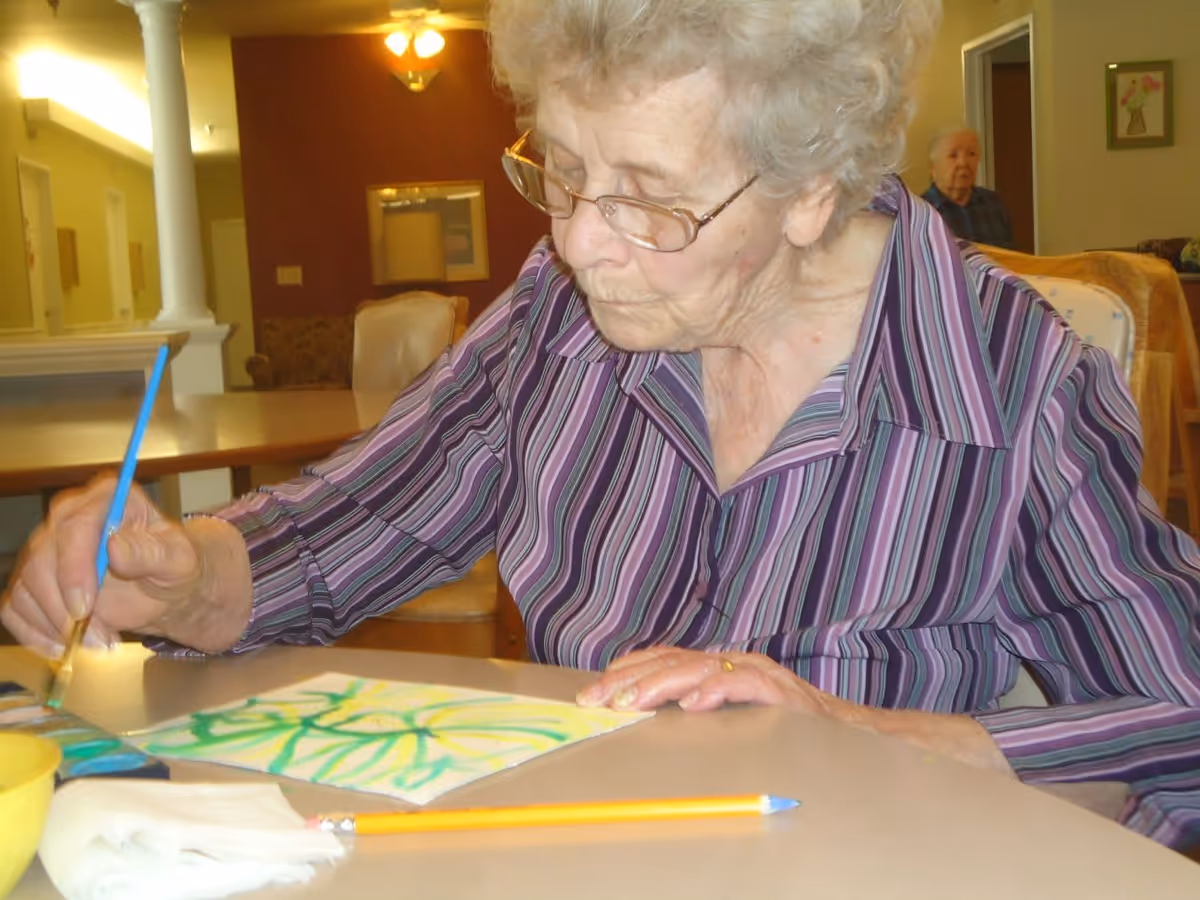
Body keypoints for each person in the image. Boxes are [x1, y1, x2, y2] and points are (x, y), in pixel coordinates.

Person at [5, 0, 1200, 848]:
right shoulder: (556, 318)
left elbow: (1183, 718)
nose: (577, 240)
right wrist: (182, 574)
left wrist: (873, 732)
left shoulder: (1008, 381)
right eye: (564, 170)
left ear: (810, 193)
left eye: (650, 200)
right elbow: (345, 527)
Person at [921, 125, 1015, 248]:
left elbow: (1010, 258)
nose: (963, 163)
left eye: (971, 154)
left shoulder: (994, 204)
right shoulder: (920, 214)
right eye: (953, 155)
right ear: (932, 167)